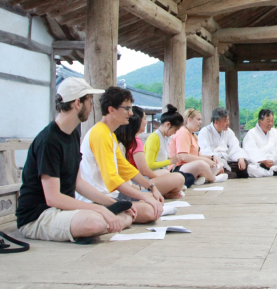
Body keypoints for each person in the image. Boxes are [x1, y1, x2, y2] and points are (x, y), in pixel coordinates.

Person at [16, 78, 133, 243]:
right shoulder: (49, 140)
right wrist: (101, 209)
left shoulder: (73, 134)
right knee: (96, 221)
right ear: (78, 103)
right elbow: (53, 198)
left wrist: (113, 203)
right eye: (90, 101)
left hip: (61, 210)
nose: (92, 106)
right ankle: (89, 228)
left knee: (122, 214)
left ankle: (90, 228)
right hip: (38, 215)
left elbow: (78, 182)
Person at [77, 86, 164, 224]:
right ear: (111, 110)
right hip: (98, 197)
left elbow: (124, 168)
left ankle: (122, 216)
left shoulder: (109, 134)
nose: (130, 113)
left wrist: (151, 187)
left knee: (153, 203)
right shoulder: (100, 134)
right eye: (127, 109)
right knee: (149, 210)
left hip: (110, 193)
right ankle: (116, 217)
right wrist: (143, 195)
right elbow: (112, 179)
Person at [115, 106, 185, 199]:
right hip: (136, 181)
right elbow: (145, 169)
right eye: (144, 119)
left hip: (134, 180)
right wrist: (160, 179)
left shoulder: (131, 139)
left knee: (167, 174)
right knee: (178, 178)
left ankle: (163, 192)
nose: (146, 122)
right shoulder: (139, 140)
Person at [169, 108, 228, 185]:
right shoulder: (183, 133)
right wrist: (206, 161)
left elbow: (198, 155)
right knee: (201, 164)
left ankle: (202, 178)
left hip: (190, 165)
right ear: (189, 119)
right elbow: (183, 156)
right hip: (178, 167)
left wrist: (212, 158)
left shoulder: (193, 135)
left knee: (219, 164)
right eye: (198, 119)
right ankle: (212, 178)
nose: (200, 122)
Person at [144, 104, 195, 187]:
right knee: (179, 177)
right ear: (168, 124)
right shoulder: (154, 138)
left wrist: (172, 159)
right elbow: (149, 165)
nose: (175, 133)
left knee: (188, 176)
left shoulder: (164, 138)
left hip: (163, 172)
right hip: (154, 174)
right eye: (175, 130)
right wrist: (170, 161)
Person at [242, 109, 277, 177]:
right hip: (262, 164)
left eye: (272, 120)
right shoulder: (251, 133)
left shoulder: (274, 132)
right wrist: (263, 161)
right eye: (268, 121)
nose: (271, 124)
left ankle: (273, 171)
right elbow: (250, 152)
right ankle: (274, 173)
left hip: (275, 162)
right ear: (260, 121)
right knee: (252, 168)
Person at [198, 107, 249, 179]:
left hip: (226, 160)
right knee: (214, 166)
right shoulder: (205, 132)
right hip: (214, 161)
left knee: (244, 164)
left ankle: (227, 174)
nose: (227, 123)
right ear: (216, 122)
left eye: (228, 119)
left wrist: (240, 158)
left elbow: (235, 146)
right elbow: (205, 151)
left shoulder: (228, 131)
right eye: (225, 121)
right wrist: (215, 160)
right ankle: (228, 174)